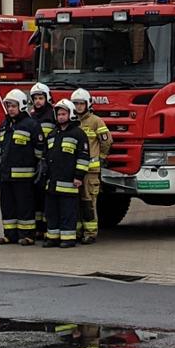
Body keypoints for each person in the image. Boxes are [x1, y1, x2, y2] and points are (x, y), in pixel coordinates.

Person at [42, 99, 94, 249]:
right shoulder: (52, 134)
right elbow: (46, 156)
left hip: (69, 183)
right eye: (59, 114)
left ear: (70, 114)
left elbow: (83, 158)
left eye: (64, 114)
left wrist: (78, 177)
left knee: (68, 212)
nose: (61, 117)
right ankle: (53, 237)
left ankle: (68, 238)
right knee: (52, 212)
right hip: (52, 183)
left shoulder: (78, 134)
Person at [0, 90, 43, 245]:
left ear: (22, 105)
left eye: (13, 106)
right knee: (7, 206)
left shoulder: (31, 125)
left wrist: (38, 168)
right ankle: (10, 234)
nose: (10, 109)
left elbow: (39, 150)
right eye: (8, 105)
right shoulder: (4, 125)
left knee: (25, 207)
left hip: (24, 177)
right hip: (6, 175)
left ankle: (28, 235)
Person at [71, 88, 111, 244]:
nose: (78, 107)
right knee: (75, 202)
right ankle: (77, 231)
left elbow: (106, 141)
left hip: (90, 171)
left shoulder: (95, 121)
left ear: (88, 104)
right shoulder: (72, 121)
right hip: (75, 170)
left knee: (88, 202)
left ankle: (90, 233)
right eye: (75, 104)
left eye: (81, 103)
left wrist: (101, 157)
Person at [27, 83, 57, 233]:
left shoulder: (53, 115)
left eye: (41, 98)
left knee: (48, 197)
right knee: (36, 197)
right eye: (35, 98)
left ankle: (48, 228)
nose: (38, 101)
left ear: (47, 98)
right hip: (36, 161)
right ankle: (39, 228)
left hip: (50, 161)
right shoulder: (31, 116)